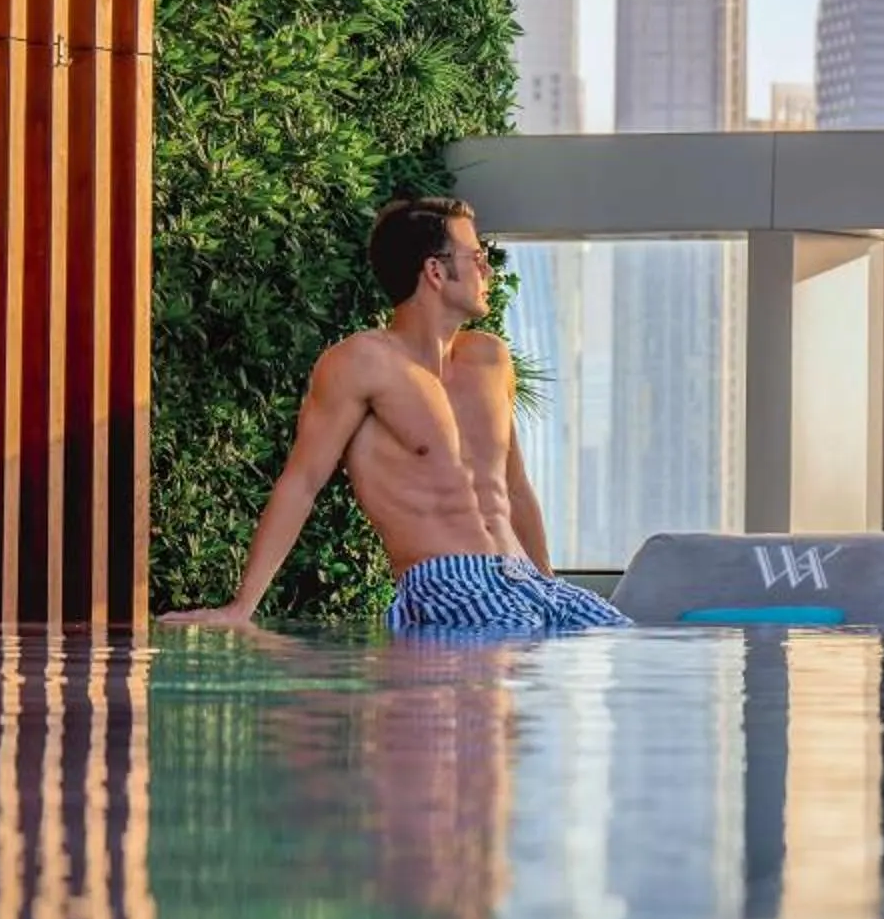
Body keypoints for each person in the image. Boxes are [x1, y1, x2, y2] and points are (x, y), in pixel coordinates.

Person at [160, 197, 631, 636]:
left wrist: (546, 586)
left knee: (617, 635)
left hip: (521, 577)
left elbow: (514, 486)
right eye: (475, 256)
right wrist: (242, 607)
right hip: (447, 578)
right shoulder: (362, 362)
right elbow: (302, 482)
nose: (488, 268)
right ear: (435, 272)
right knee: (513, 632)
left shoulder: (491, 359)